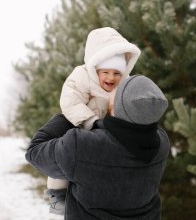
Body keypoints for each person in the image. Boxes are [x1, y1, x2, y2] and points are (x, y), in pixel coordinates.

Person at [26, 75, 170, 219]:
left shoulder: (82, 146)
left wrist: (72, 112)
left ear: (114, 108)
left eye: (116, 91)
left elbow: (34, 152)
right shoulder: (161, 143)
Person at [45, 27, 141, 214]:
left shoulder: (125, 83)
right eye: (105, 72)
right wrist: (91, 121)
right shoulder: (81, 76)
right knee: (66, 157)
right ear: (95, 66)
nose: (111, 78)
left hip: (108, 132)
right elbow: (70, 100)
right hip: (79, 126)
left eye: (116, 73)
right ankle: (57, 194)